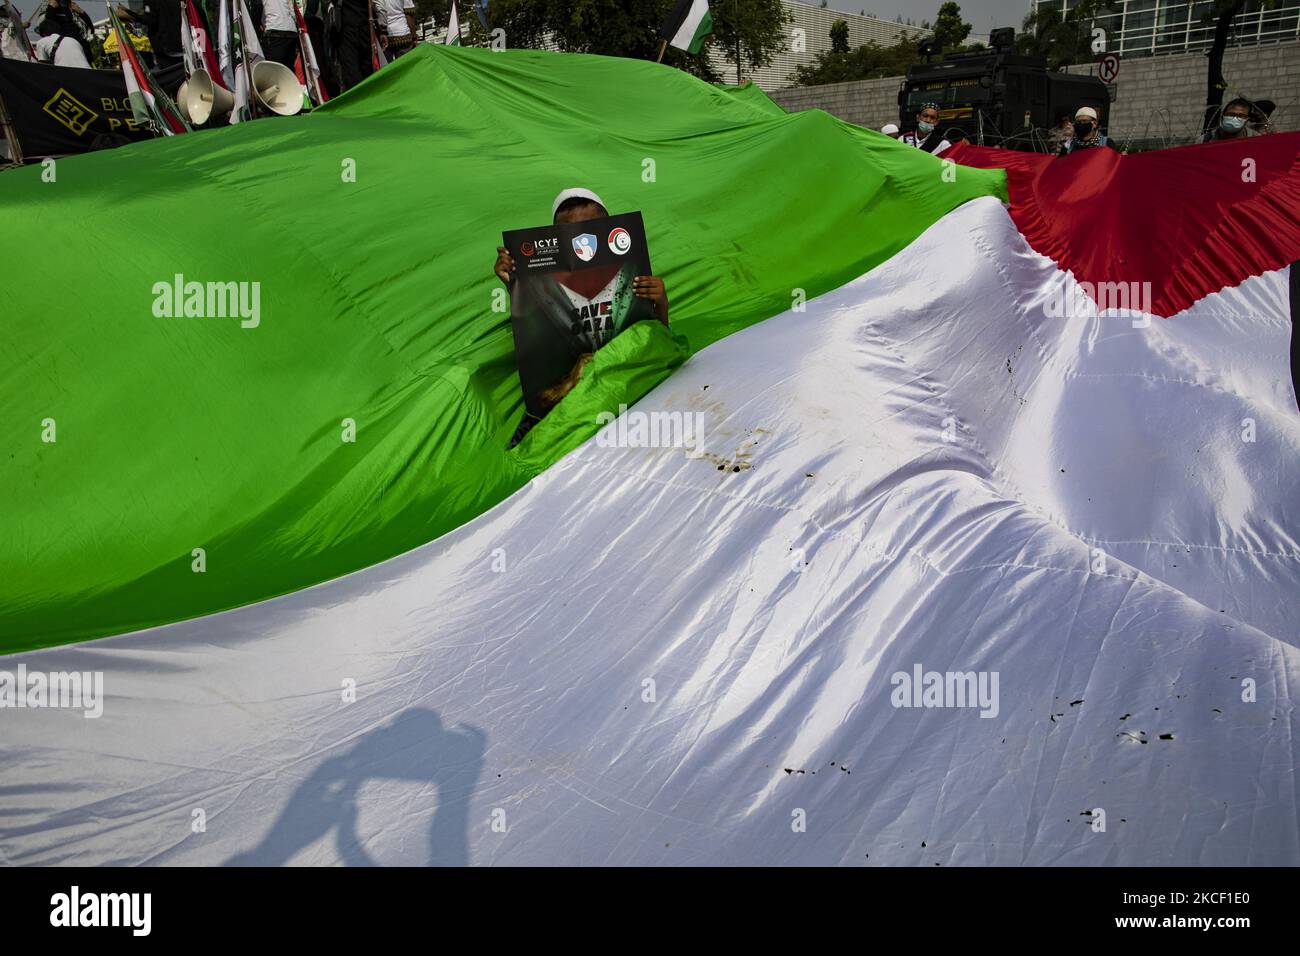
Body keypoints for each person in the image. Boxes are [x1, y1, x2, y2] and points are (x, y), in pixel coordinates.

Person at [494, 188, 670, 446]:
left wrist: (661, 303)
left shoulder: (630, 271)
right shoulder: (542, 283)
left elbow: (658, 343)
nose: (582, 239)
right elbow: (538, 338)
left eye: (591, 228)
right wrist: (515, 284)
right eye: (569, 232)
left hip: (631, 389)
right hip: (574, 406)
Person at [115, 2, 183, 70]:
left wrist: (130, 15)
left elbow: (151, 20)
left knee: (171, 74)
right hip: (181, 41)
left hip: (164, 47)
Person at [261, 0, 300, 68]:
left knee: (273, 69)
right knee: (288, 69)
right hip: (291, 30)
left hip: (275, 30)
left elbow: (256, 7)